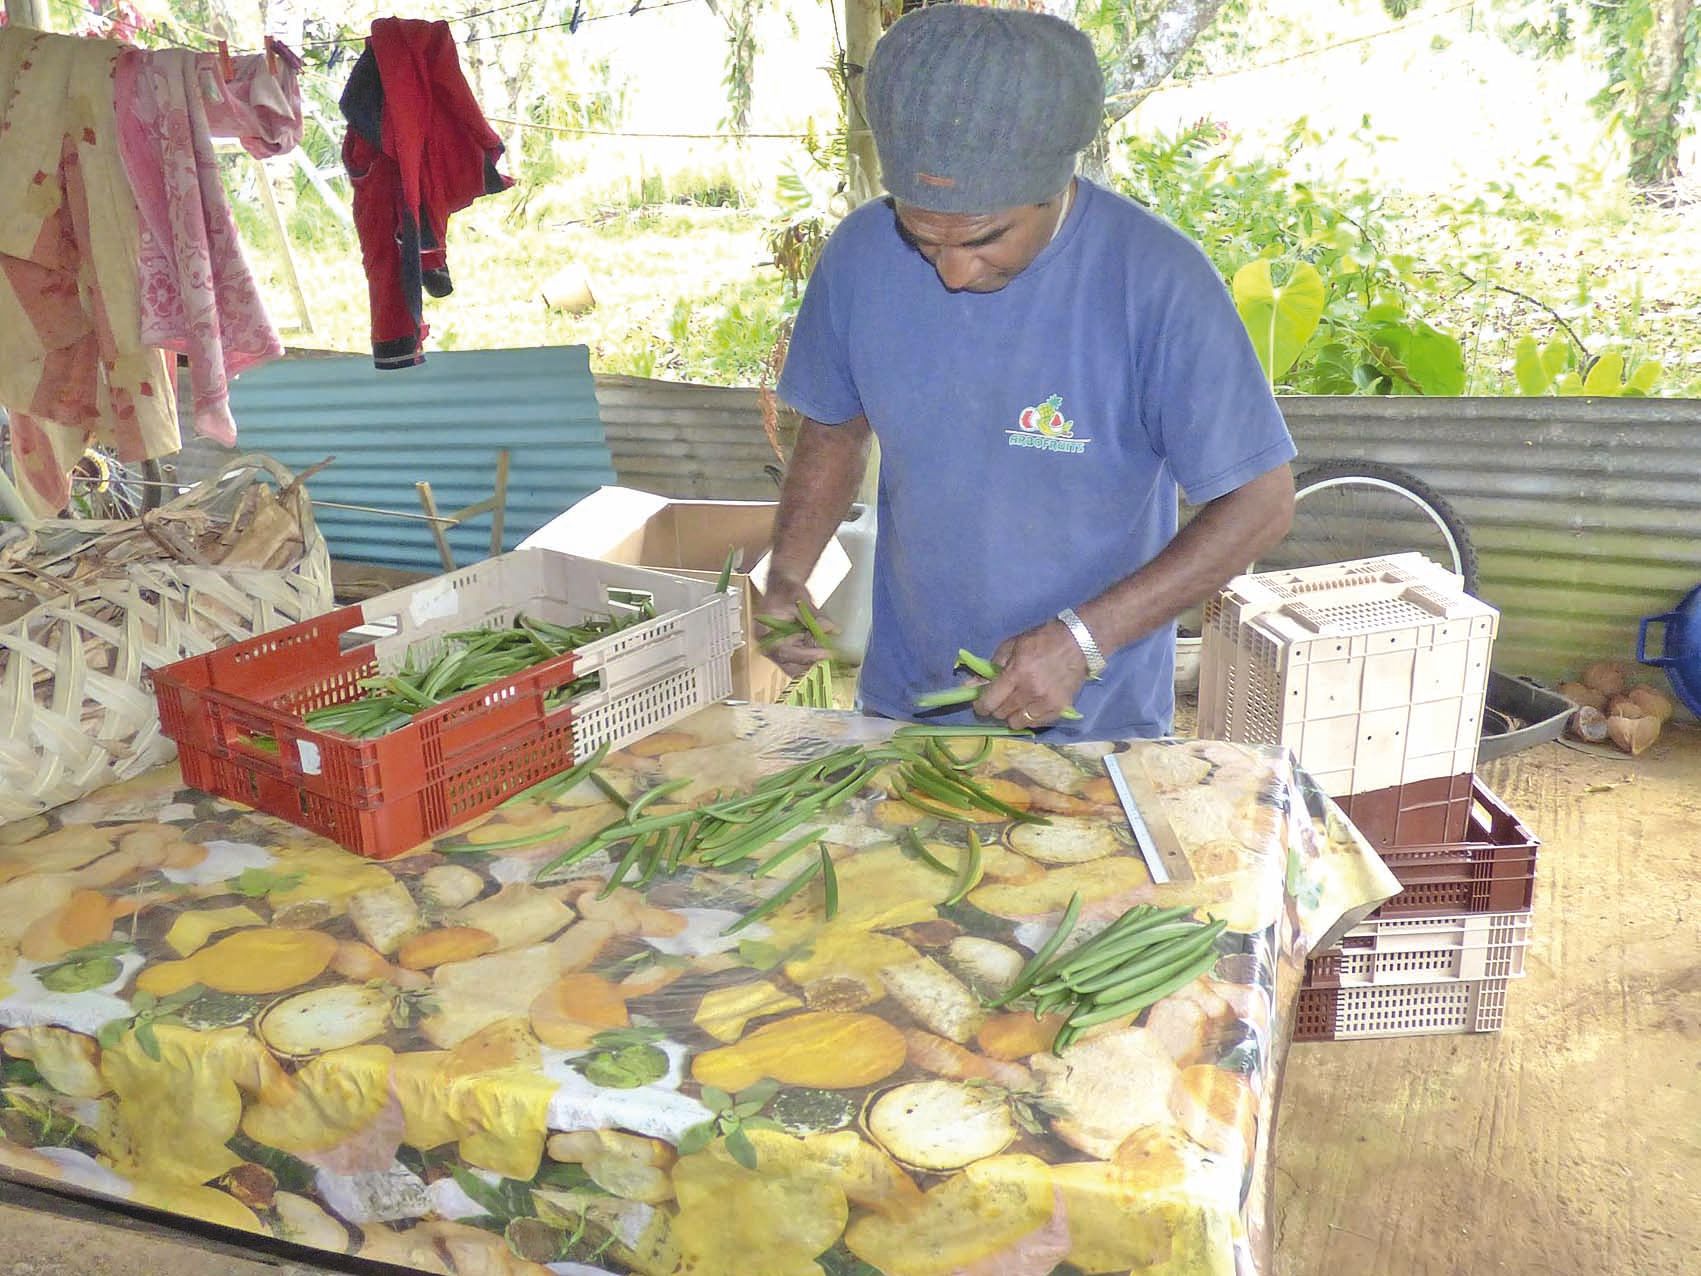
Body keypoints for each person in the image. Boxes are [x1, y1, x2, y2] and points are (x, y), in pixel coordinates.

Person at [760, 4, 1296, 740]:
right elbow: (832, 430)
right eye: (921, 238)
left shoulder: (1156, 283)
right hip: (905, 709)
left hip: (1091, 727)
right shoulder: (858, 257)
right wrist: (787, 575)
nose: (950, 272)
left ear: (1055, 184)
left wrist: (1084, 638)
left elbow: (1260, 501)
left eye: (983, 239)